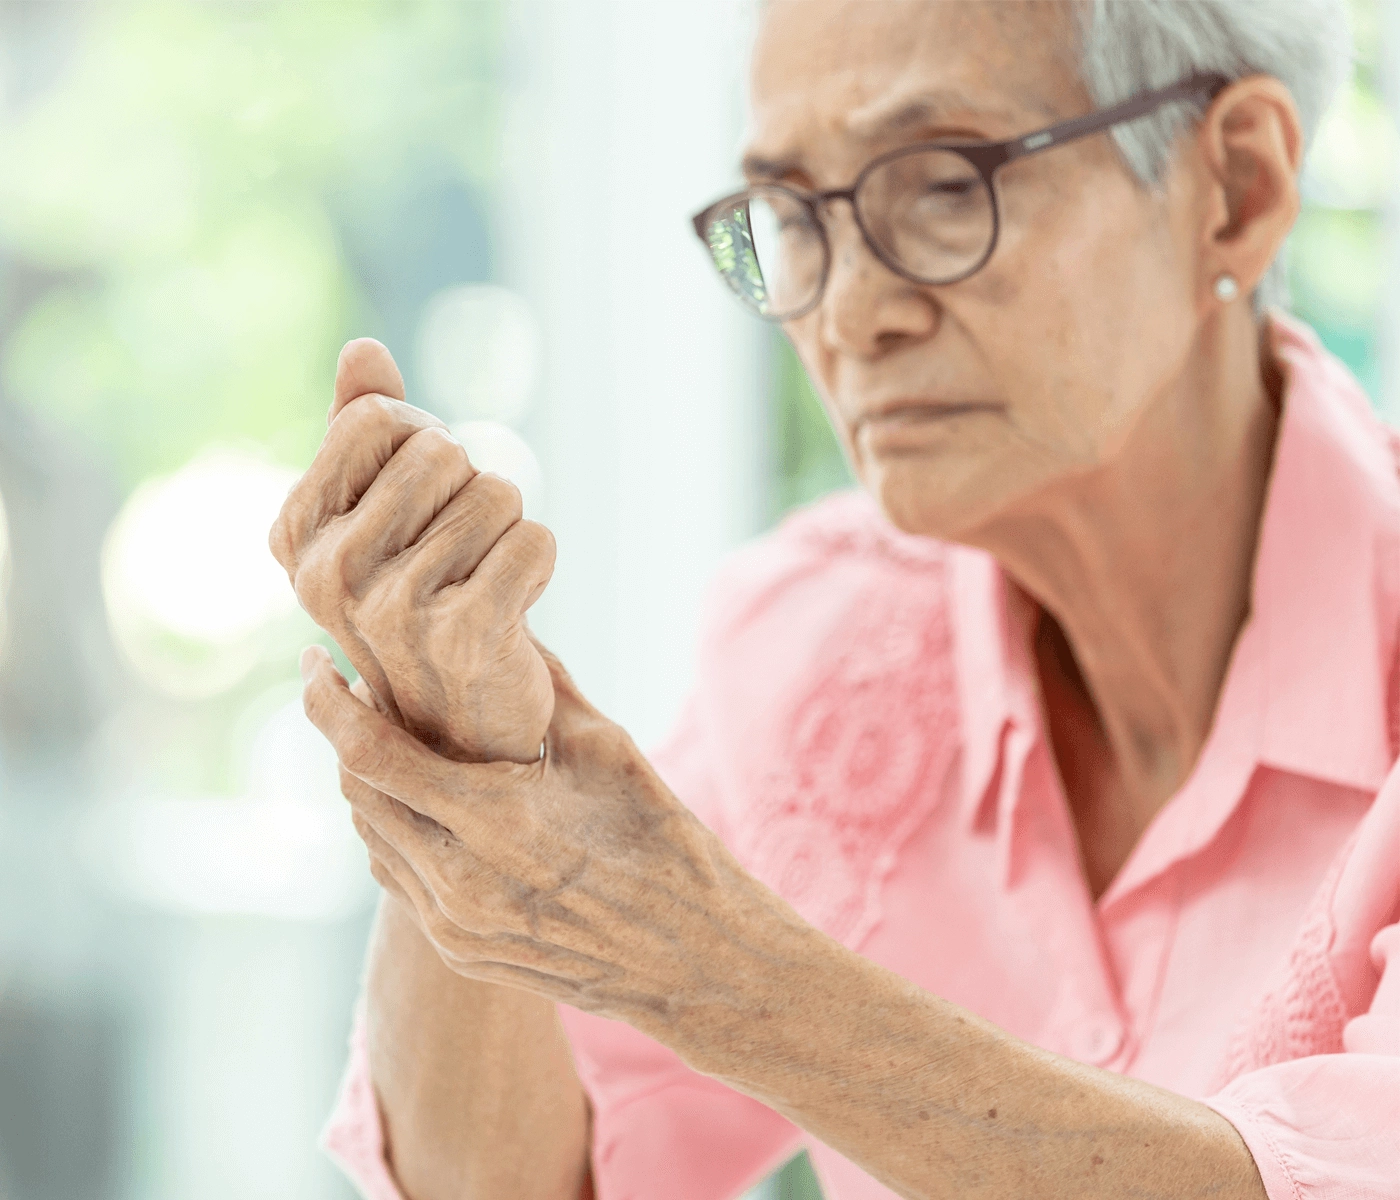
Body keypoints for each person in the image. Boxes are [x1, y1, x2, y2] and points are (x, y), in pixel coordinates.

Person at [270, 1, 1400, 1197]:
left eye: (943, 186)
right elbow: (505, 1181)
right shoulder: (822, 644)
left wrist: (703, 963)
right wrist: (464, 750)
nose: (850, 313)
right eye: (794, 215)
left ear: (1233, 186)